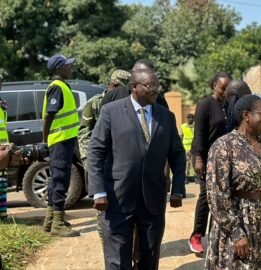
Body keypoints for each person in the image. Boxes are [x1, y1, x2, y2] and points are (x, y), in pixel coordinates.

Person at [88, 69, 185, 269]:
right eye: (151, 87)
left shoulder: (166, 116)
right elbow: (95, 152)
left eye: (158, 86)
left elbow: (177, 154)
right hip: (117, 198)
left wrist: (177, 188)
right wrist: (98, 191)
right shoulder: (111, 112)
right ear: (134, 87)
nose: (156, 91)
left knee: (149, 257)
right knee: (117, 259)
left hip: (153, 199)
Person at [205, 95, 261, 269]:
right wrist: (236, 233)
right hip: (241, 225)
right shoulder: (224, 147)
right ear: (246, 115)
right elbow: (217, 196)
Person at [188, 71, 232, 254]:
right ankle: (196, 236)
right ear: (214, 85)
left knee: (222, 197)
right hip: (204, 157)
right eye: (222, 88)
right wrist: (199, 158)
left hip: (223, 160)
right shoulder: (205, 105)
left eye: (227, 89)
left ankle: (215, 234)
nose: (224, 92)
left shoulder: (229, 105)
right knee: (207, 196)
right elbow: (199, 133)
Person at [41, 54, 80, 237]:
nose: (70, 68)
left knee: (57, 178)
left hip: (64, 140)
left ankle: (51, 220)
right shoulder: (56, 88)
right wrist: (44, 140)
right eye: (67, 66)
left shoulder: (62, 86)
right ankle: (57, 223)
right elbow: (49, 115)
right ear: (58, 69)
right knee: (60, 180)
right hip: (59, 140)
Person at [78, 69, 131, 166]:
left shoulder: (127, 102)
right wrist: (89, 162)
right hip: (101, 157)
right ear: (115, 85)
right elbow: (85, 134)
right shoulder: (95, 103)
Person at [100, 59, 169, 109]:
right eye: (145, 74)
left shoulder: (159, 101)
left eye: (152, 75)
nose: (150, 78)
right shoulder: (113, 96)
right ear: (133, 74)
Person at [180, 113, 195, 183]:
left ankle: (195, 177)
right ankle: (185, 178)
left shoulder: (196, 126)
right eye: (189, 118)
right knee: (186, 164)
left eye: (191, 118)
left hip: (194, 148)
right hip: (185, 148)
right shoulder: (183, 127)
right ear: (187, 119)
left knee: (193, 163)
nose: (190, 119)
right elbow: (180, 137)